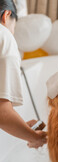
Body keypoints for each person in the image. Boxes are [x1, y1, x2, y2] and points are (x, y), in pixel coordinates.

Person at [0, 0, 47, 148]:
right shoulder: (4, 37)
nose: (12, 32)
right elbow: (2, 113)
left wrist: (23, 128)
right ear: (6, 15)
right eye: (14, 26)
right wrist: (35, 138)